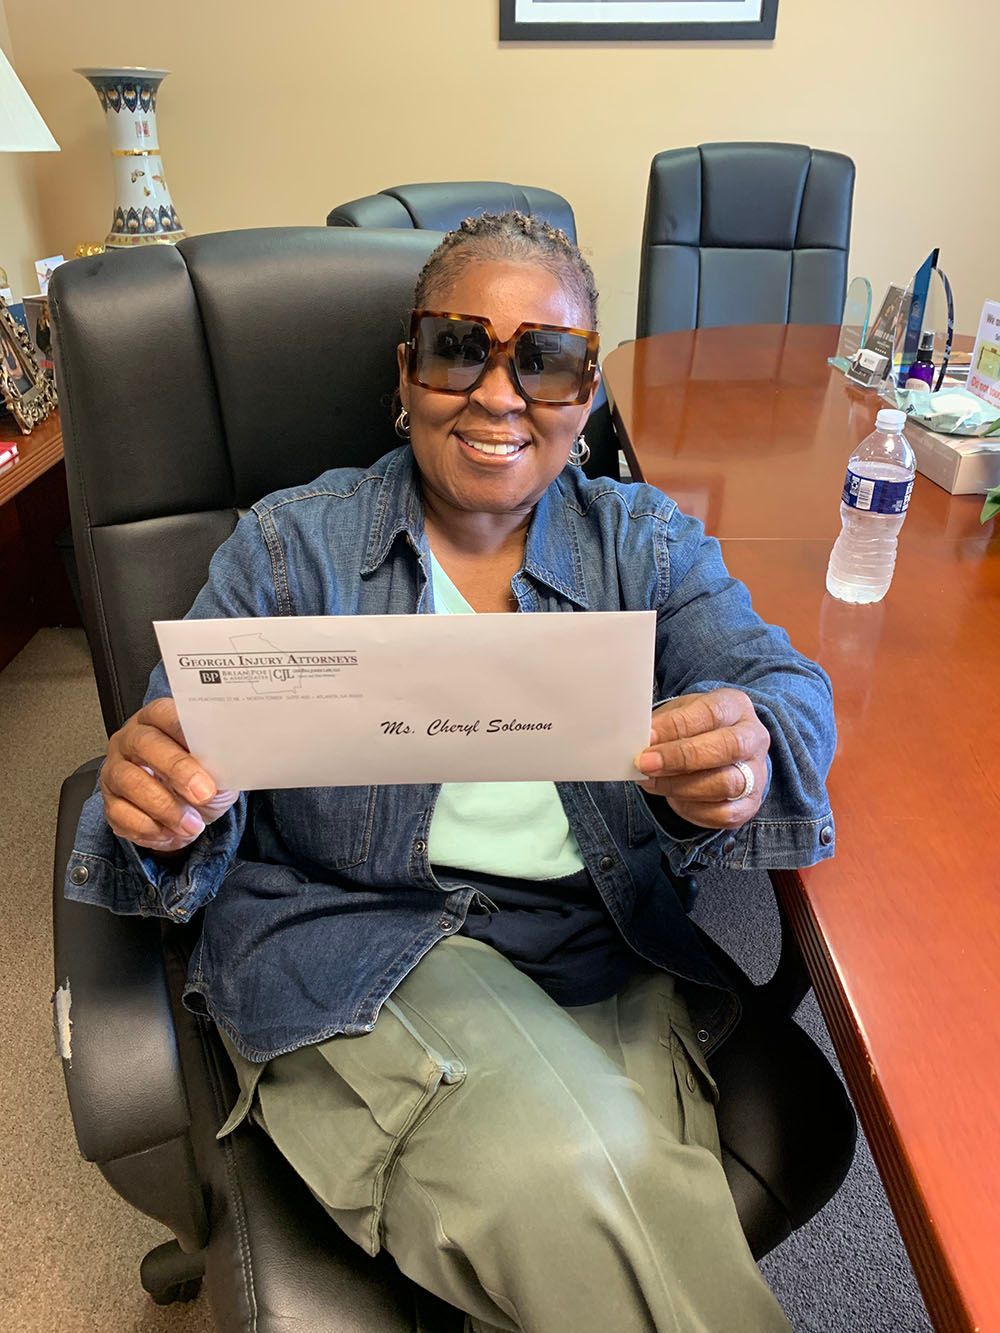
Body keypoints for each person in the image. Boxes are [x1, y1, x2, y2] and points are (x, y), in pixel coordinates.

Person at [67, 213, 837, 1333]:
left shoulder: (645, 545)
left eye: (548, 358)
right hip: (351, 945)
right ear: (405, 372)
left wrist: (751, 739)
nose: (497, 392)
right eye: (457, 347)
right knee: (571, 1166)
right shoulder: (293, 548)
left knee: (608, 1174)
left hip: (593, 950)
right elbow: (167, 758)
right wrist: (153, 800)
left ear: (586, 391)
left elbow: (787, 691)